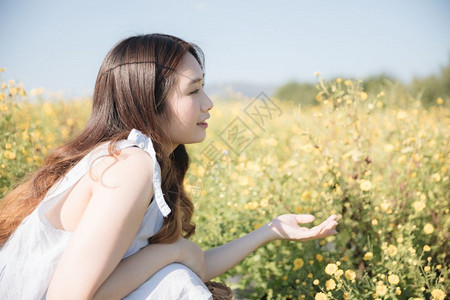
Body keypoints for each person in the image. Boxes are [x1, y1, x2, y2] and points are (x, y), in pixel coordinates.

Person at [0, 33, 338, 300]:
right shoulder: (128, 165)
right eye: (194, 91)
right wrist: (174, 252)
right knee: (176, 281)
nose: (209, 104)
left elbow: (197, 263)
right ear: (151, 101)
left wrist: (271, 230)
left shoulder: (138, 160)